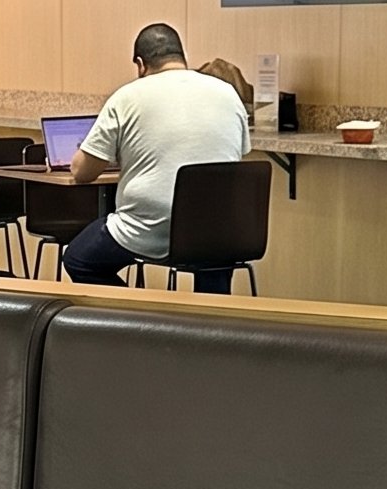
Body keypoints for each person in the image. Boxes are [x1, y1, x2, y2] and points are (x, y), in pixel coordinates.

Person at [65, 23, 253, 291]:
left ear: (141, 64)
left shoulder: (127, 97)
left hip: (150, 230)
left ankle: (139, 322)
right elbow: (237, 153)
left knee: (79, 259)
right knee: (212, 258)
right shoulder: (227, 93)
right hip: (222, 233)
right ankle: (211, 324)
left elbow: (82, 171)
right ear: (181, 57)